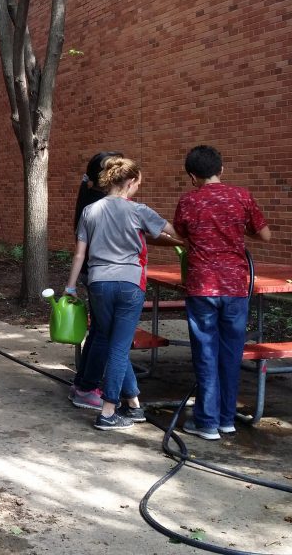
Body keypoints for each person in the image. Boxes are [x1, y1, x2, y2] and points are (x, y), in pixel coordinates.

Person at [65, 157, 183, 430]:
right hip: (129, 284)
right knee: (119, 348)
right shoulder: (139, 211)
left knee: (111, 342)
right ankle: (108, 412)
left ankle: (133, 405)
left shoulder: (89, 211)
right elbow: (175, 232)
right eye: (137, 184)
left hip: (98, 284)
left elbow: (80, 253)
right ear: (129, 182)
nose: (137, 189)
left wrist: (70, 287)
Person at [173, 145, 270, 440]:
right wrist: (239, 230)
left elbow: (179, 235)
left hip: (202, 286)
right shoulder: (242, 196)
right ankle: (226, 419)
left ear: (192, 176)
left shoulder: (189, 201)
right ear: (221, 169)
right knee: (230, 353)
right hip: (236, 288)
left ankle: (206, 421)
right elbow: (265, 234)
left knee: (205, 353)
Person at [69, 151, 122, 410]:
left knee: (99, 330)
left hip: (94, 273)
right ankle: (88, 387)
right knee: (103, 333)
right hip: (104, 275)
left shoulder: (90, 200)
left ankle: (82, 383)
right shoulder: (103, 204)